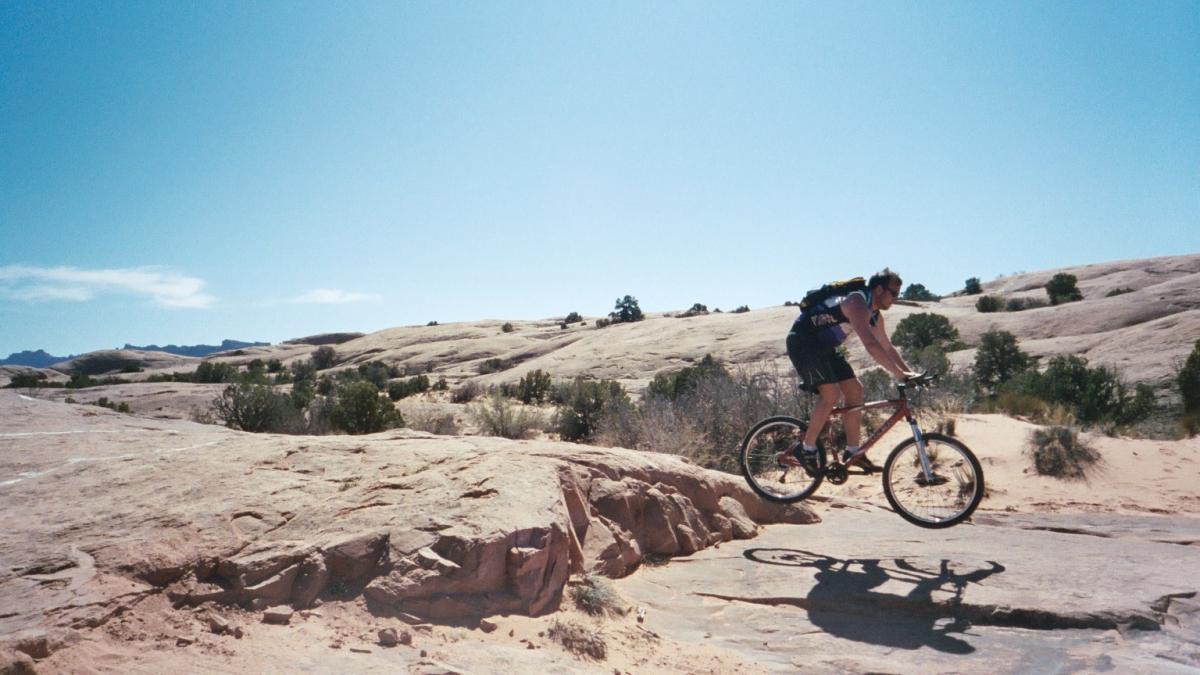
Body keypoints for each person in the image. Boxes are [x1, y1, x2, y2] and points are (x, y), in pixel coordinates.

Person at [786, 269, 919, 471]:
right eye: (893, 293)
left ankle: (853, 452)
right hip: (803, 343)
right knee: (831, 393)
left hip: (824, 348)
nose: (896, 298)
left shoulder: (874, 315)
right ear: (879, 289)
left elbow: (887, 347)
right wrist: (899, 375)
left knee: (855, 390)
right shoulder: (857, 302)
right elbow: (871, 345)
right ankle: (807, 448)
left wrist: (911, 374)